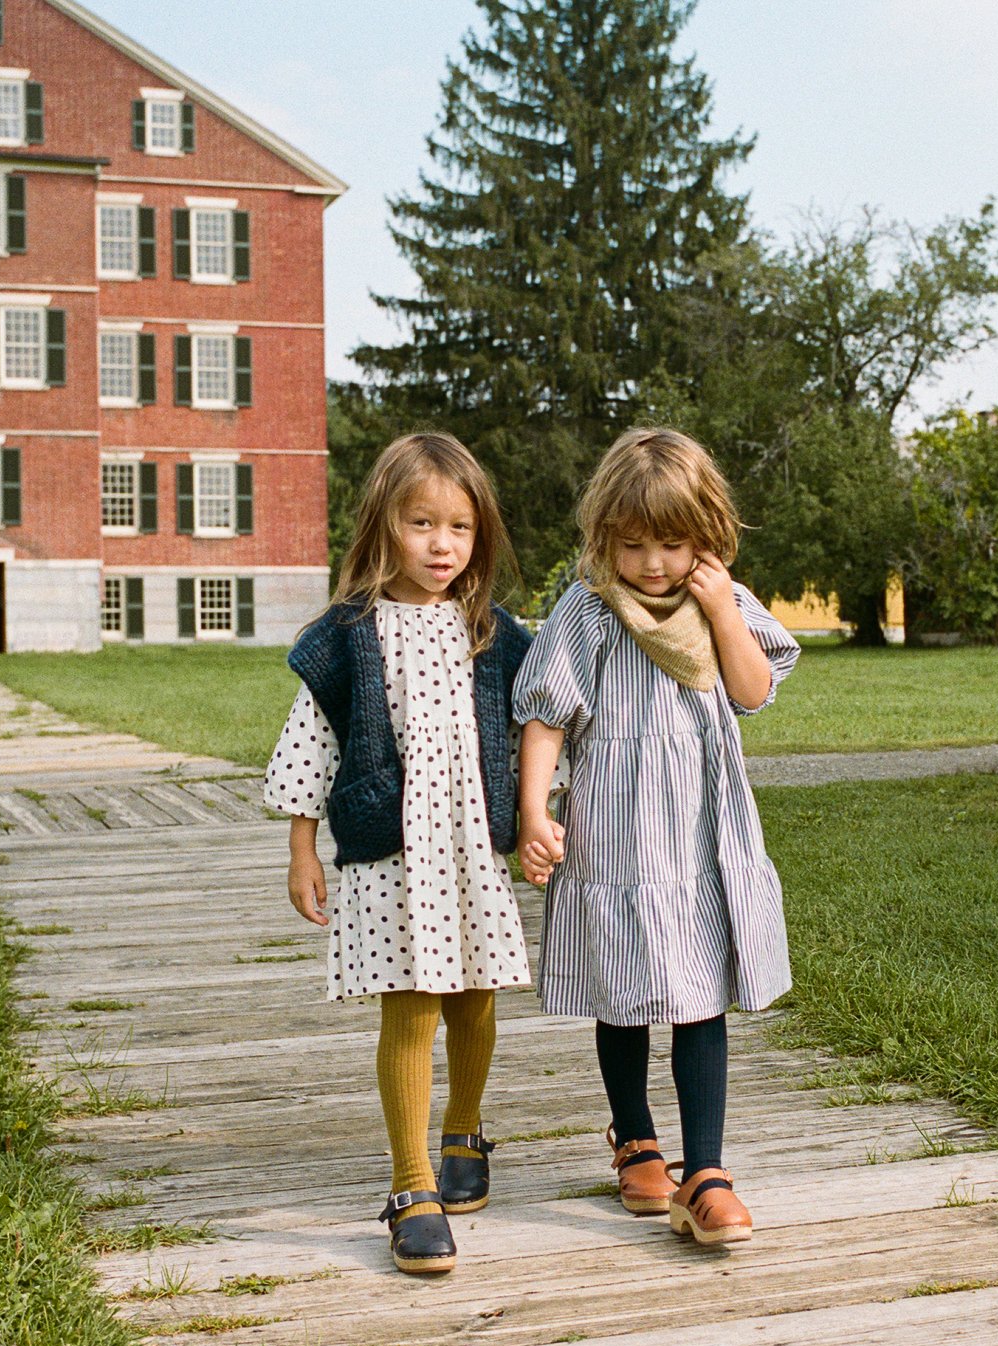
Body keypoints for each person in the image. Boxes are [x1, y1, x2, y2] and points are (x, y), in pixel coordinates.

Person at [512, 427, 800, 1247]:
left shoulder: (724, 606)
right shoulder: (591, 610)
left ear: (708, 537)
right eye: (633, 544)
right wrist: (537, 813)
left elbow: (751, 693)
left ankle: (705, 1172)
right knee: (626, 984)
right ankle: (636, 1139)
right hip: (615, 827)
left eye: (673, 544)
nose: (653, 564)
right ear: (606, 537)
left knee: (701, 989)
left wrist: (717, 606)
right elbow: (543, 715)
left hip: (702, 831)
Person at [265, 432, 534, 1274]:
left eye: (459, 527)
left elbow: (540, 735)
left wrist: (539, 817)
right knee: (411, 1005)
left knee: (475, 999)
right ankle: (412, 1185)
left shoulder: (496, 635)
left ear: (479, 536)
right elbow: (311, 743)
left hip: (473, 852)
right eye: (421, 523)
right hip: (390, 855)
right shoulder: (347, 638)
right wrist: (302, 848)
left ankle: (464, 1131)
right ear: (383, 523)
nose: (441, 544)